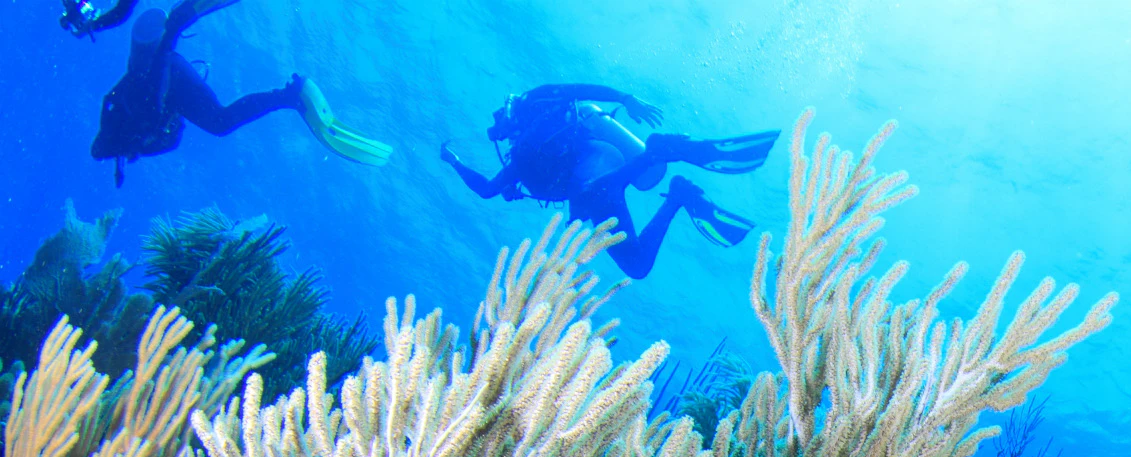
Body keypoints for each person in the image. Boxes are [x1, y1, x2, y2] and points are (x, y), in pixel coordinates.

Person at [442, 85, 777, 279]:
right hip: (596, 186)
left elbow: (578, 90)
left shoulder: (534, 124)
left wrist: (625, 98)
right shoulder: (522, 158)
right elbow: (489, 189)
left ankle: (658, 153)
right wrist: (455, 163)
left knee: (610, 200)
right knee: (637, 264)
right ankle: (675, 193)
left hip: (597, 172)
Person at [91, 0, 390, 185]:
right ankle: (291, 95)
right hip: (165, 74)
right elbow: (167, 131)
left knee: (175, 112)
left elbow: (115, 135)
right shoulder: (135, 132)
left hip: (153, 71)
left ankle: (174, 29)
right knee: (217, 122)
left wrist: (168, 37)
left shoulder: (125, 126)